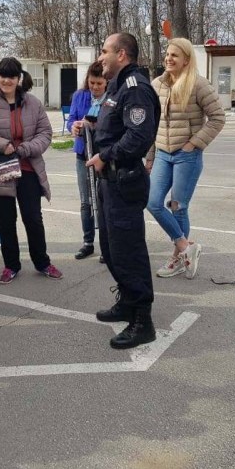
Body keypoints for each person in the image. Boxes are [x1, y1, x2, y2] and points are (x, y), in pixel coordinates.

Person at [87, 33, 160, 349]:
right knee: (112, 248)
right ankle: (127, 301)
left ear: (122, 54)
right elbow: (113, 126)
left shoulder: (136, 89)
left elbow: (138, 137)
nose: (100, 57)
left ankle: (142, 320)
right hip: (110, 183)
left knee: (128, 251)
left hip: (124, 181)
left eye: (105, 51)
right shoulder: (116, 86)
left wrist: (105, 155)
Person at [145, 38, 225, 279]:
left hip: (186, 156)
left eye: (175, 56)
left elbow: (218, 118)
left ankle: (178, 259)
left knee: (178, 206)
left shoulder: (198, 85)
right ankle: (185, 246)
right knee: (153, 202)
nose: (169, 58)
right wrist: (150, 157)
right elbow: (151, 124)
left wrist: (193, 144)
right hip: (161, 153)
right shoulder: (156, 84)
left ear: (187, 60)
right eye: (168, 54)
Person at [0, 57, 62, 284]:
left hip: (28, 168)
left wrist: (25, 149)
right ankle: (11, 265)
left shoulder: (33, 103)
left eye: (12, 76)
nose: (7, 80)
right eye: (3, 75)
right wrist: (1, 145)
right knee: (6, 221)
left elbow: (45, 133)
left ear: (19, 78)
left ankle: (42, 262)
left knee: (33, 218)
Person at [68, 61, 107, 259]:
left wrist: (95, 125)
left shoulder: (112, 98)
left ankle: (105, 245)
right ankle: (87, 242)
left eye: (99, 83)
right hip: (83, 154)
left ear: (106, 82)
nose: (95, 87)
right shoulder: (80, 96)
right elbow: (71, 120)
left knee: (102, 200)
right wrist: (74, 127)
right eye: (92, 83)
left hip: (102, 156)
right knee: (86, 201)